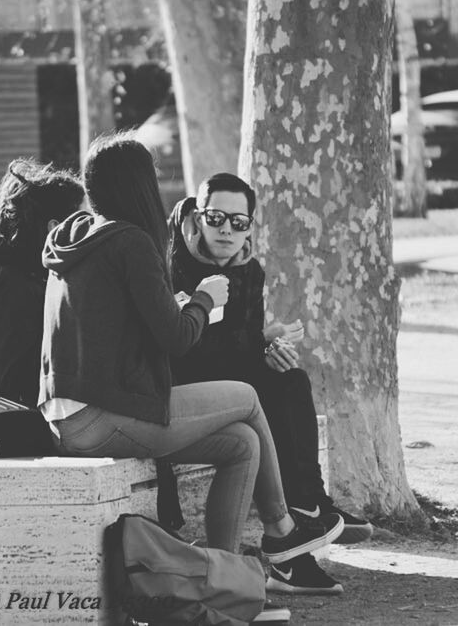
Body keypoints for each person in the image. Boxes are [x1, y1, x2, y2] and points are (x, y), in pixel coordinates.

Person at [39, 133, 342, 577]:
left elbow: (125, 327)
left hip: (67, 417)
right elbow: (178, 339)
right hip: (104, 416)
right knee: (247, 396)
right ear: (140, 184)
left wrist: (184, 308)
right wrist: (203, 299)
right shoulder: (132, 242)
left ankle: (221, 580)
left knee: (243, 443)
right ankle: (283, 527)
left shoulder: (76, 238)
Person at [168, 173, 373, 596]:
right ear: (197, 215)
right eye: (216, 218)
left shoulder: (250, 271)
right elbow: (183, 348)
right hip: (184, 387)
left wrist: (269, 349)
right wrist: (253, 349)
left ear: (250, 226)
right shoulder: (172, 265)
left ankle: (309, 502)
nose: (226, 230)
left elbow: (241, 346)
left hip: (233, 379)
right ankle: (292, 540)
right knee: (262, 393)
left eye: (239, 222)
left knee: (290, 378)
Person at [0, 158, 84, 407]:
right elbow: (18, 383)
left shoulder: (11, 271)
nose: (89, 231)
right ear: (55, 229)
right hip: (4, 430)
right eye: (82, 222)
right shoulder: (16, 286)